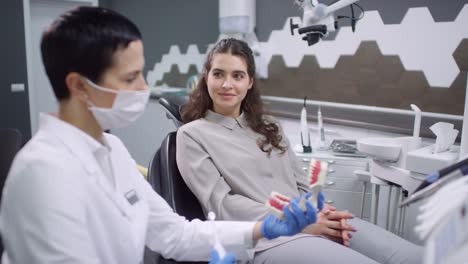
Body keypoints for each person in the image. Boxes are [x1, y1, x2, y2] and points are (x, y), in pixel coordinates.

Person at [0, 7, 320, 264]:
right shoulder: (43, 173)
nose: (144, 88)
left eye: (142, 73)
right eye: (131, 77)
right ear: (80, 86)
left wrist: (259, 230)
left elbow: (174, 235)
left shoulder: (112, 150)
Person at [176, 38, 423, 264]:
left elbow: (301, 183)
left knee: (416, 257)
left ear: (250, 82)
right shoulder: (192, 135)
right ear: (206, 78)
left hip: (309, 221)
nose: (227, 84)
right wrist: (296, 222)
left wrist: (321, 213)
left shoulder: (269, 126)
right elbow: (224, 206)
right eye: (218, 74)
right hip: (265, 238)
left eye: (237, 76)